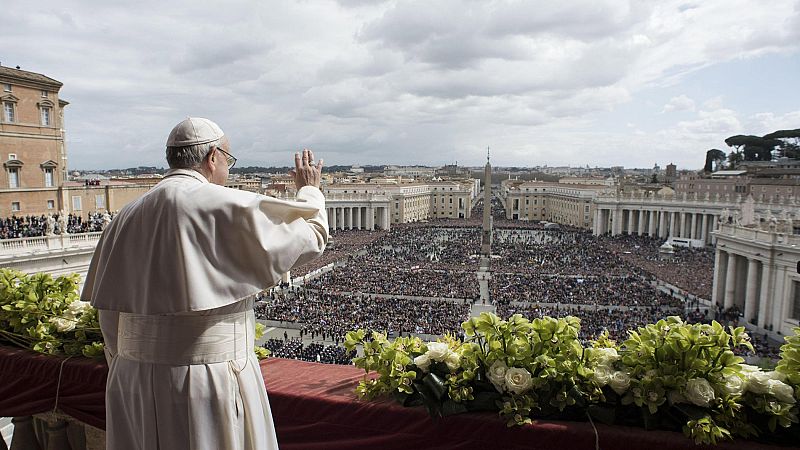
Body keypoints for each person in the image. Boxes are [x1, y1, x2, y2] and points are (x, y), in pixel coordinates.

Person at [81, 117, 328, 450]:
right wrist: (310, 189)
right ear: (213, 157)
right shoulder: (224, 203)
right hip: (208, 380)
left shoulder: (123, 217)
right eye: (229, 160)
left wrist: (131, 364)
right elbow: (310, 236)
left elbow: (110, 315)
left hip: (131, 380)